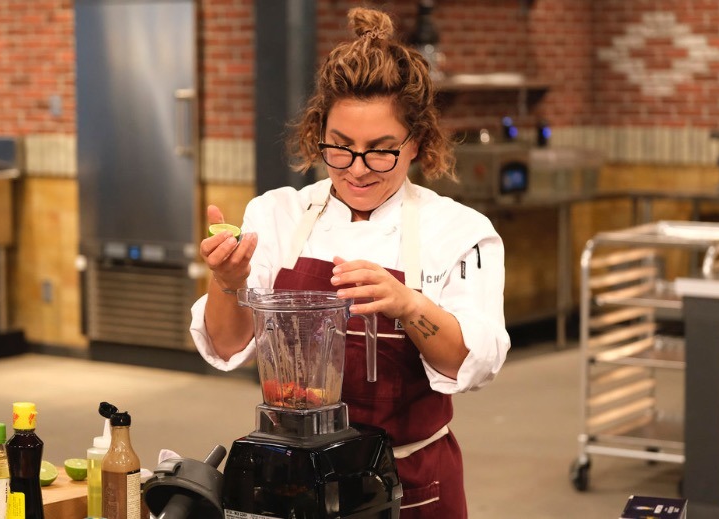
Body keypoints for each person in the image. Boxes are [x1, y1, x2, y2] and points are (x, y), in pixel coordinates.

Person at [190, 6, 510, 517]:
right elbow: (228, 344)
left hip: (411, 483)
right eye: (340, 148)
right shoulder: (276, 213)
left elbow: (471, 364)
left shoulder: (460, 231)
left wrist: (408, 304)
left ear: (418, 144)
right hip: (293, 479)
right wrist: (228, 281)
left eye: (380, 151)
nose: (357, 170)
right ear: (319, 134)